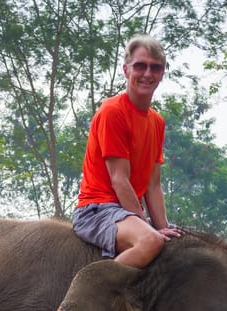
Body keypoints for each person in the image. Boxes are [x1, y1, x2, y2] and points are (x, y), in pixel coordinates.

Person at [72, 34, 182, 268]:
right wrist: (148, 228)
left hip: (125, 213)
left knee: (173, 241)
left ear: (162, 74)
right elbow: (119, 180)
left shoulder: (156, 122)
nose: (147, 74)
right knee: (150, 241)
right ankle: (92, 296)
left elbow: (153, 185)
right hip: (96, 209)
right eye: (140, 66)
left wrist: (163, 227)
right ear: (126, 70)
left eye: (155, 68)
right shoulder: (113, 112)